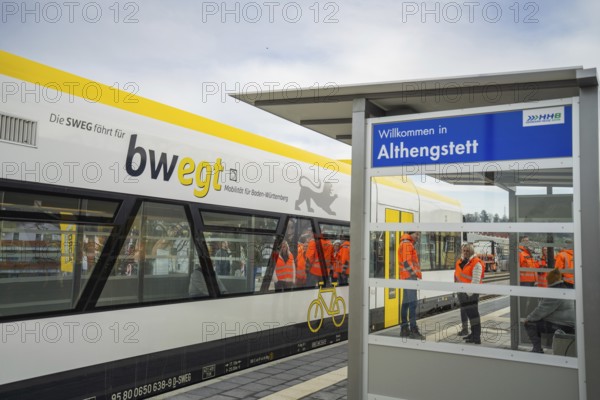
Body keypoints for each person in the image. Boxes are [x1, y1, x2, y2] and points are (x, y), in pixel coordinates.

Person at [524, 269, 575, 353]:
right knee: (537, 320)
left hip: (564, 325)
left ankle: (537, 349)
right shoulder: (563, 287)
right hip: (569, 322)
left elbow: (542, 310)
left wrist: (528, 318)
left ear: (549, 280)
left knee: (530, 324)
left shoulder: (555, 292)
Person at [455, 243, 484, 344]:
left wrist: (469, 294)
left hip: (471, 293)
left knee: (474, 314)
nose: (465, 252)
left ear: (472, 251)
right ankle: (473, 333)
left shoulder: (476, 263)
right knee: (470, 314)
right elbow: (457, 276)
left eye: (468, 251)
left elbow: (476, 280)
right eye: (464, 250)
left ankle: (477, 337)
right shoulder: (460, 262)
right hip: (462, 292)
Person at [398, 231, 425, 340]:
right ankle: (413, 330)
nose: (418, 237)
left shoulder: (406, 243)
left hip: (406, 277)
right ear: (411, 233)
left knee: (406, 303)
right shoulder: (407, 244)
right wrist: (413, 275)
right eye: (416, 234)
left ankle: (404, 329)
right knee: (413, 303)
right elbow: (406, 262)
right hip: (409, 277)